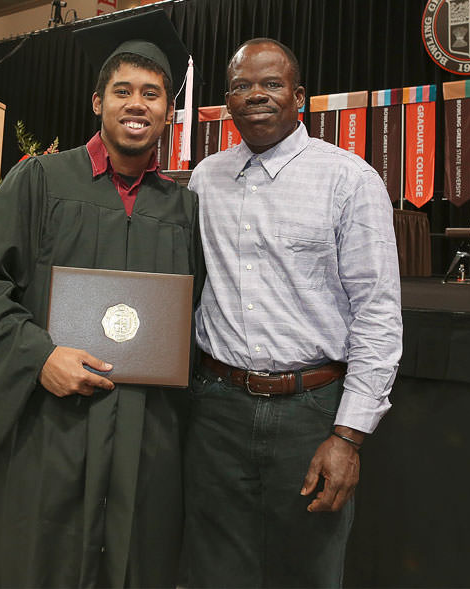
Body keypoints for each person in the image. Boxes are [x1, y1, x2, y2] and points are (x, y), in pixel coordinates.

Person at [0, 11, 203, 589]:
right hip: (54, 425)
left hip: (147, 433)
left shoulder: (181, 208)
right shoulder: (40, 181)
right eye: (123, 91)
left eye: (152, 94)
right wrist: (37, 357)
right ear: (97, 102)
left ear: (167, 111)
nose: (137, 104)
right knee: (42, 558)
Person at [184, 38, 402, 588]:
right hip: (217, 411)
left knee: (307, 571)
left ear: (298, 96)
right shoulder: (204, 179)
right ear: (225, 101)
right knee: (215, 570)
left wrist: (348, 437)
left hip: (312, 413)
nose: (255, 94)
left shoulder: (349, 180)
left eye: (271, 83)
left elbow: (377, 315)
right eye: (240, 85)